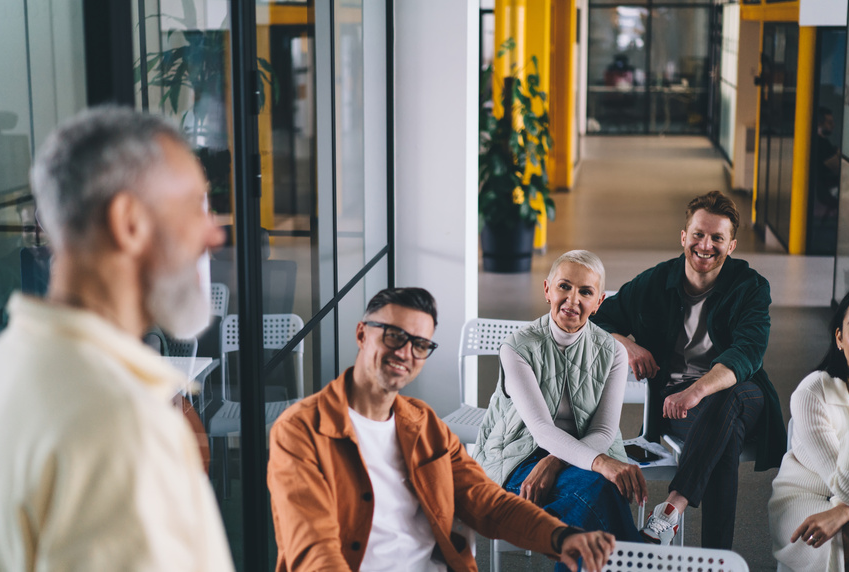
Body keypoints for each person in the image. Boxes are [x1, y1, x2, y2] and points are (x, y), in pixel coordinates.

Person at [0, 107, 234, 570]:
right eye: (196, 207)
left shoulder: (6, 365)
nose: (214, 234)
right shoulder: (120, 425)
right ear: (128, 221)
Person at [267, 287, 616, 572]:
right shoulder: (301, 432)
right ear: (362, 334)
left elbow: (488, 503)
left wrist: (560, 537)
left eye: (419, 345)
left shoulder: (424, 426)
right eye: (393, 336)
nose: (405, 352)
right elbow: (314, 551)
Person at [592, 190, 786, 548]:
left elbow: (748, 352)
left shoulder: (751, 287)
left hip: (743, 393)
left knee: (726, 399)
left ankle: (673, 505)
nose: (705, 245)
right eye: (698, 234)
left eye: (717, 238)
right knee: (723, 439)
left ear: (732, 246)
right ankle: (714, 560)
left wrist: (697, 390)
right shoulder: (654, 283)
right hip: (680, 407)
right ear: (684, 237)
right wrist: (628, 344)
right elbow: (597, 321)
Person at [473, 250, 645, 551]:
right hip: (520, 457)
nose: (572, 300)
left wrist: (554, 462)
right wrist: (599, 463)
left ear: (599, 302)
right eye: (564, 286)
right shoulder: (517, 347)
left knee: (594, 497)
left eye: (586, 292)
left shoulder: (613, 351)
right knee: (599, 494)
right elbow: (540, 429)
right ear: (547, 289)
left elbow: (604, 432)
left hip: (585, 453)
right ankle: (638, 560)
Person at [769, 286, 849, 572]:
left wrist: (843, 513)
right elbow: (844, 487)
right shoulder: (812, 391)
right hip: (806, 498)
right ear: (840, 339)